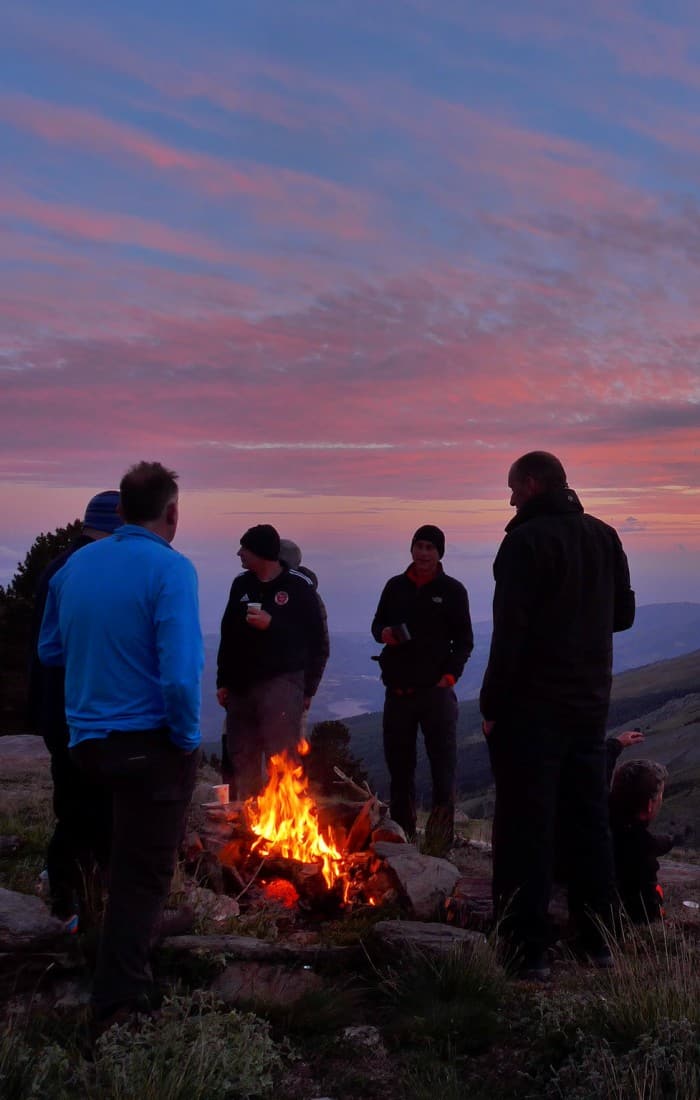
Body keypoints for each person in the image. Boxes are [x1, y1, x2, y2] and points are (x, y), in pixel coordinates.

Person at [38, 462, 203, 1025]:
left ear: (123, 509)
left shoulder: (72, 568)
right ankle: (119, 1008)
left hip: (86, 741)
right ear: (172, 512)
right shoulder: (171, 570)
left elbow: (50, 652)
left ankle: (90, 948)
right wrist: (185, 740)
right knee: (142, 875)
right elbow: (180, 677)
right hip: (147, 746)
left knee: (96, 847)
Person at [480, 451, 635, 977]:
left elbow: (510, 636)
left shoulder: (523, 543)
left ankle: (527, 952)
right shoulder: (605, 535)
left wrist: (492, 707)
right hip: (591, 704)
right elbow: (624, 615)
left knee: (526, 828)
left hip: (531, 710)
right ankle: (598, 941)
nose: (510, 499)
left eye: (513, 490)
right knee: (588, 823)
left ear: (531, 483)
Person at [28, 491, 122, 928]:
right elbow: (58, 649)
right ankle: (71, 901)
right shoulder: (85, 569)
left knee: (76, 801)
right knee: (88, 806)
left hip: (57, 706)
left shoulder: (59, 566)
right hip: (77, 708)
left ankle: (74, 893)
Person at [371, 524, 474, 852]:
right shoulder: (395, 586)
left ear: (439, 552)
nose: (423, 553)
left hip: (436, 693)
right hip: (398, 692)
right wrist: (384, 633)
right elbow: (377, 625)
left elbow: (465, 641)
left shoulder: (453, 590)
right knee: (400, 768)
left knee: (443, 768)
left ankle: (439, 843)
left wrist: (450, 676)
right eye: (419, 546)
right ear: (411, 549)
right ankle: (402, 838)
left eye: (430, 547)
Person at [216, 524, 326, 800]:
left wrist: (309, 689)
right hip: (241, 687)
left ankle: (284, 822)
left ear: (263, 553)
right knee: (242, 756)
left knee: (282, 760)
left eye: (245, 549)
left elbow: (315, 642)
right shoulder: (241, 584)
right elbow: (227, 633)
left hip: (282, 684)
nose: (239, 553)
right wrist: (222, 680)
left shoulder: (298, 588)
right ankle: (246, 823)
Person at [609, 759, 676, 923]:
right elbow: (647, 914)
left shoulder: (600, 821)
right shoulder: (641, 856)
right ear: (649, 806)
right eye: (660, 795)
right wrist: (656, 897)